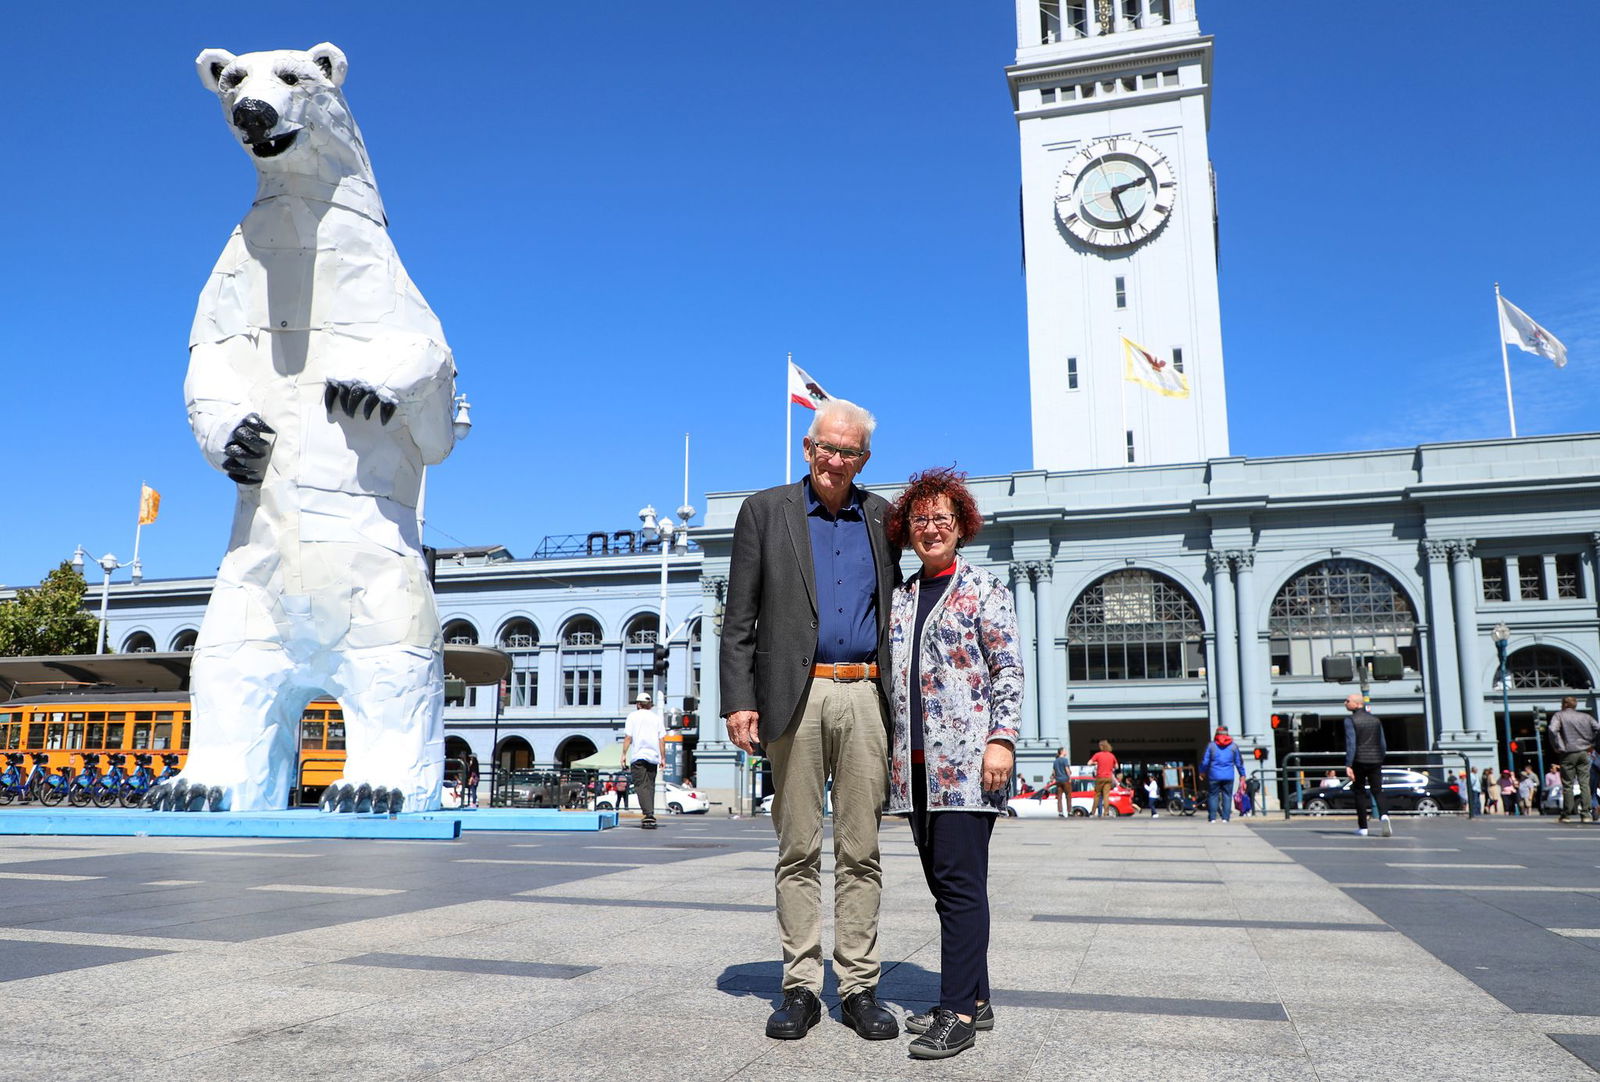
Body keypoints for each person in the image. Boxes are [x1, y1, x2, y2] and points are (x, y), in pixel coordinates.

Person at [719, 398, 901, 1043]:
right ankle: (800, 986)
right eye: (828, 447)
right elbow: (739, 619)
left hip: (865, 696)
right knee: (797, 847)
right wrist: (740, 700)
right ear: (807, 447)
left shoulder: (882, 517)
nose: (836, 460)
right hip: (794, 698)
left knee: (862, 851)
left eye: (850, 452)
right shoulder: (766, 512)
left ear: (865, 459)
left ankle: (858, 987)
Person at [884, 468, 1021, 1060]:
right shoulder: (903, 595)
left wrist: (1003, 739)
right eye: (920, 520)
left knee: (961, 888)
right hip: (914, 771)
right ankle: (978, 996)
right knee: (947, 888)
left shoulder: (985, 589)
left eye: (942, 518)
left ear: (961, 526)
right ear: (908, 531)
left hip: (967, 766)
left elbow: (1008, 670)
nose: (931, 528)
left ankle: (958, 1012)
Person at [1342, 693, 1392, 837]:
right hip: (1375, 759)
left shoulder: (1350, 720)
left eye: (1348, 701)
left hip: (1359, 760)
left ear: (1357, 704)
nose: (1345, 703)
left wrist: (1348, 764)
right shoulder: (1375, 720)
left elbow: (1351, 743)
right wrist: (1381, 757)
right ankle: (1384, 815)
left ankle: (1363, 827)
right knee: (1378, 790)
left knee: (1359, 792)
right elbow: (1382, 743)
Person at [1550, 696, 1599, 823]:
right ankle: (1586, 813)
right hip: (1584, 752)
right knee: (1584, 783)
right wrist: (1592, 744)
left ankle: (1566, 814)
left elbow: (1552, 729)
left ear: (1564, 704)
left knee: (1568, 784)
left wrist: (1557, 746)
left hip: (1568, 752)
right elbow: (1598, 728)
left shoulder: (1559, 716)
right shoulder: (1586, 717)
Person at [622, 691, 664, 829]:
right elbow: (661, 739)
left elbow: (628, 737)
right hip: (653, 757)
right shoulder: (656, 718)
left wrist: (623, 754)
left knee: (640, 785)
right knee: (650, 785)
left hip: (638, 756)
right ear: (650, 705)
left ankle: (648, 814)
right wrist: (663, 757)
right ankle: (649, 813)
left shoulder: (633, 716)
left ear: (638, 704)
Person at [1199, 727, 1247, 823]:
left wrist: (1202, 772)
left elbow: (1205, 761)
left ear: (1216, 734)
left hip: (1214, 775)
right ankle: (1225, 818)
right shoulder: (1233, 746)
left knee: (1213, 795)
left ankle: (1212, 818)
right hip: (1228, 776)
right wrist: (1242, 774)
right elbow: (1239, 762)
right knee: (1227, 796)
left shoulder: (1211, 746)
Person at [1088, 740, 1118, 818]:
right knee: (1106, 795)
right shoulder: (1112, 755)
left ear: (1101, 746)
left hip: (1100, 777)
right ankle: (1106, 812)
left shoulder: (1097, 755)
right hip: (1108, 777)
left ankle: (1093, 812)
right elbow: (1117, 766)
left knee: (1097, 795)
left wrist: (1096, 763)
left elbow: (1089, 763)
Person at [1051, 747, 1071, 818]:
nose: (1066, 752)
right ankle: (1069, 811)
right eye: (1065, 751)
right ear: (1061, 752)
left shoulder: (1055, 761)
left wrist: (1053, 778)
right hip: (1065, 780)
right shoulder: (1065, 760)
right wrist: (1069, 778)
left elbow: (1053, 772)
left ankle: (1060, 812)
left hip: (1058, 780)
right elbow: (1067, 769)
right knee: (1068, 796)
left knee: (1059, 797)